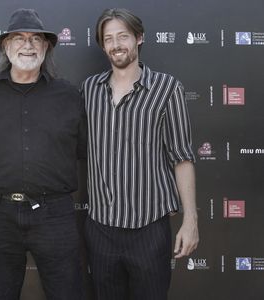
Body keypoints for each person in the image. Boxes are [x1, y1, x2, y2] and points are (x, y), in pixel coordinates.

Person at [0, 8, 87, 300]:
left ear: (46, 47)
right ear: (6, 47)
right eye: (18, 38)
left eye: (35, 39)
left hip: (55, 214)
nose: (28, 45)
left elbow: (83, 149)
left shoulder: (69, 96)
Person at [81, 8, 199, 300]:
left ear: (139, 38)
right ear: (102, 45)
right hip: (101, 230)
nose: (116, 44)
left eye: (123, 36)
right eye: (108, 38)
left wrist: (190, 221)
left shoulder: (167, 89)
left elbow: (182, 158)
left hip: (149, 230)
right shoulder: (89, 90)